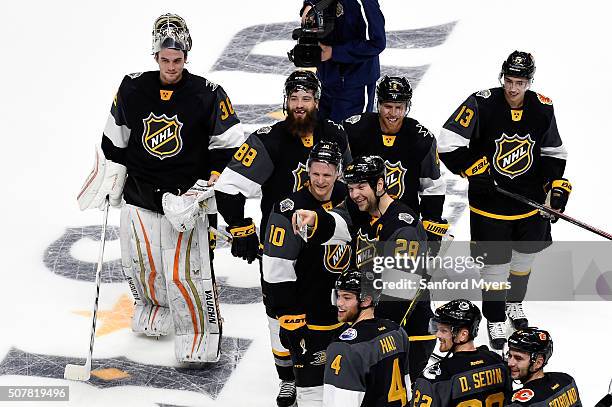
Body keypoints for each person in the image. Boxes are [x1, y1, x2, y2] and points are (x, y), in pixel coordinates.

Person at [76, 14, 245, 363]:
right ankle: (155, 311)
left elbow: (229, 147)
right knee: (144, 265)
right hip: (142, 194)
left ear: (187, 57)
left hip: (187, 201)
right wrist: (110, 176)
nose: (171, 66)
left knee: (189, 272)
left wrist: (204, 189)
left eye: (178, 60)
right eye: (165, 59)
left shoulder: (208, 94)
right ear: (155, 56)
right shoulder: (132, 87)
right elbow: (114, 141)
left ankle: (201, 331)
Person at [214, 69, 350, 406]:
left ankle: (332, 367)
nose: (299, 105)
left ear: (317, 102)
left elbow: (352, 183)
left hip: (331, 238)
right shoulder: (270, 139)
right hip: (282, 244)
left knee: (334, 306)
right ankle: (288, 376)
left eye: (306, 98)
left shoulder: (335, 134)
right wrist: (240, 227)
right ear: (286, 101)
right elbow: (229, 186)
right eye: (294, 98)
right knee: (280, 312)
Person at [437, 50, 571, 349]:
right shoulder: (481, 102)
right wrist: (473, 168)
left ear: (529, 82)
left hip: (529, 203)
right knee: (494, 267)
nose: (512, 88)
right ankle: (495, 317)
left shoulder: (543, 108)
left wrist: (555, 187)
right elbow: (448, 143)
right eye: (508, 80)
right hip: (490, 204)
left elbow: (553, 153)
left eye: (520, 82)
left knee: (524, 259)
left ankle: (514, 303)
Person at [293, 155, 435, 385]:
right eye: (350, 188)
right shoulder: (362, 207)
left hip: (408, 332)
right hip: (376, 321)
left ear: (380, 185)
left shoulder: (402, 227)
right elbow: (340, 218)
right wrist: (316, 218)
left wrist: (371, 334)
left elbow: (401, 294)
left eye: (361, 187)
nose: (354, 194)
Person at [263, 141, 350, 407]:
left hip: (345, 300)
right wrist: (288, 311)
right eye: (315, 173)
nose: (321, 181)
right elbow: (276, 266)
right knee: (310, 383)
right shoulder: (288, 207)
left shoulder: (351, 196)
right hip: (307, 302)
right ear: (307, 172)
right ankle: (289, 378)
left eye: (327, 174)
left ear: (338, 173)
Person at [343, 75, 447, 254]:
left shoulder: (421, 139)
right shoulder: (354, 131)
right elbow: (338, 176)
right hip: (359, 221)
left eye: (399, 108)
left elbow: (432, 188)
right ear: (378, 104)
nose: (393, 114)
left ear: (407, 107)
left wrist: (432, 227)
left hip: (402, 226)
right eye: (388, 107)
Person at [323, 268, 410, 407]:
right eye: (337, 296)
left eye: (347, 297)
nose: (339, 303)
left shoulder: (344, 348)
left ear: (366, 300)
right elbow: (407, 390)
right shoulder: (397, 332)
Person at [412, 299, 512, 406]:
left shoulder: (436, 377)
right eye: (437, 329)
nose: (438, 335)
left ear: (463, 335)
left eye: (444, 331)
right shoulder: (498, 362)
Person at [300, 0, 386, 123]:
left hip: (355, 87)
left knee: (349, 137)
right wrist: (309, 6)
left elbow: (377, 43)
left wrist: (334, 52)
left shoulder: (363, 2)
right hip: (325, 80)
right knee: (320, 135)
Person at [506, 327, 582, 406]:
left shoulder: (519, 403)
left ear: (538, 363)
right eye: (509, 355)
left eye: (518, 358)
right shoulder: (566, 380)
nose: (510, 363)